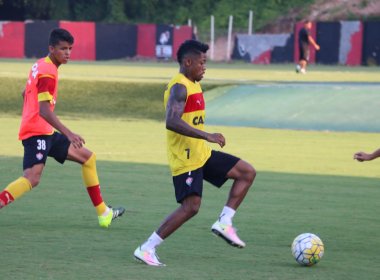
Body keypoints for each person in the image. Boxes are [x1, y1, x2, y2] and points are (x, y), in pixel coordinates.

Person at [134, 40, 256, 266]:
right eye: (201, 62)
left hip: (202, 154)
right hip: (186, 158)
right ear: (187, 62)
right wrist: (207, 135)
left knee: (246, 173)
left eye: (205, 62)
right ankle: (147, 248)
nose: (204, 67)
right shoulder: (179, 87)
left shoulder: (194, 84)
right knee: (191, 207)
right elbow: (171, 121)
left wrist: (204, 140)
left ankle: (224, 222)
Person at [0, 28, 125, 228]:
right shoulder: (48, 72)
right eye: (63, 49)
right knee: (32, 178)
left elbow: (25, 92)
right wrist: (69, 133)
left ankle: (104, 214)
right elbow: (43, 110)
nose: (67, 53)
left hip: (45, 131)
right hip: (36, 132)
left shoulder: (40, 64)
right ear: (51, 48)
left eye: (70, 49)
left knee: (88, 158)